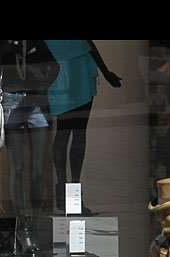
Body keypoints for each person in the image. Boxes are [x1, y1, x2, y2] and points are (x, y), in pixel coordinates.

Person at [0, 40, 59, 253]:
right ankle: (23, 226)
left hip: (37, 102)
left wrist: (41, 82)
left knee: (38, 171)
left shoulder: (39, 45)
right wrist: (2, 56)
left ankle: (35, 223)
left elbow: (55, 68)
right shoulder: (5, 49)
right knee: (16, 168)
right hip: (11, 102)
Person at [45, 40, 122, 212]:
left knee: (78, 131)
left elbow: (87, 42)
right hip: (60, 67)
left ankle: (73, 195)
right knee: (64, 131)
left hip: (80, 65)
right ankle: (63, 192)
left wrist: (105, 70)